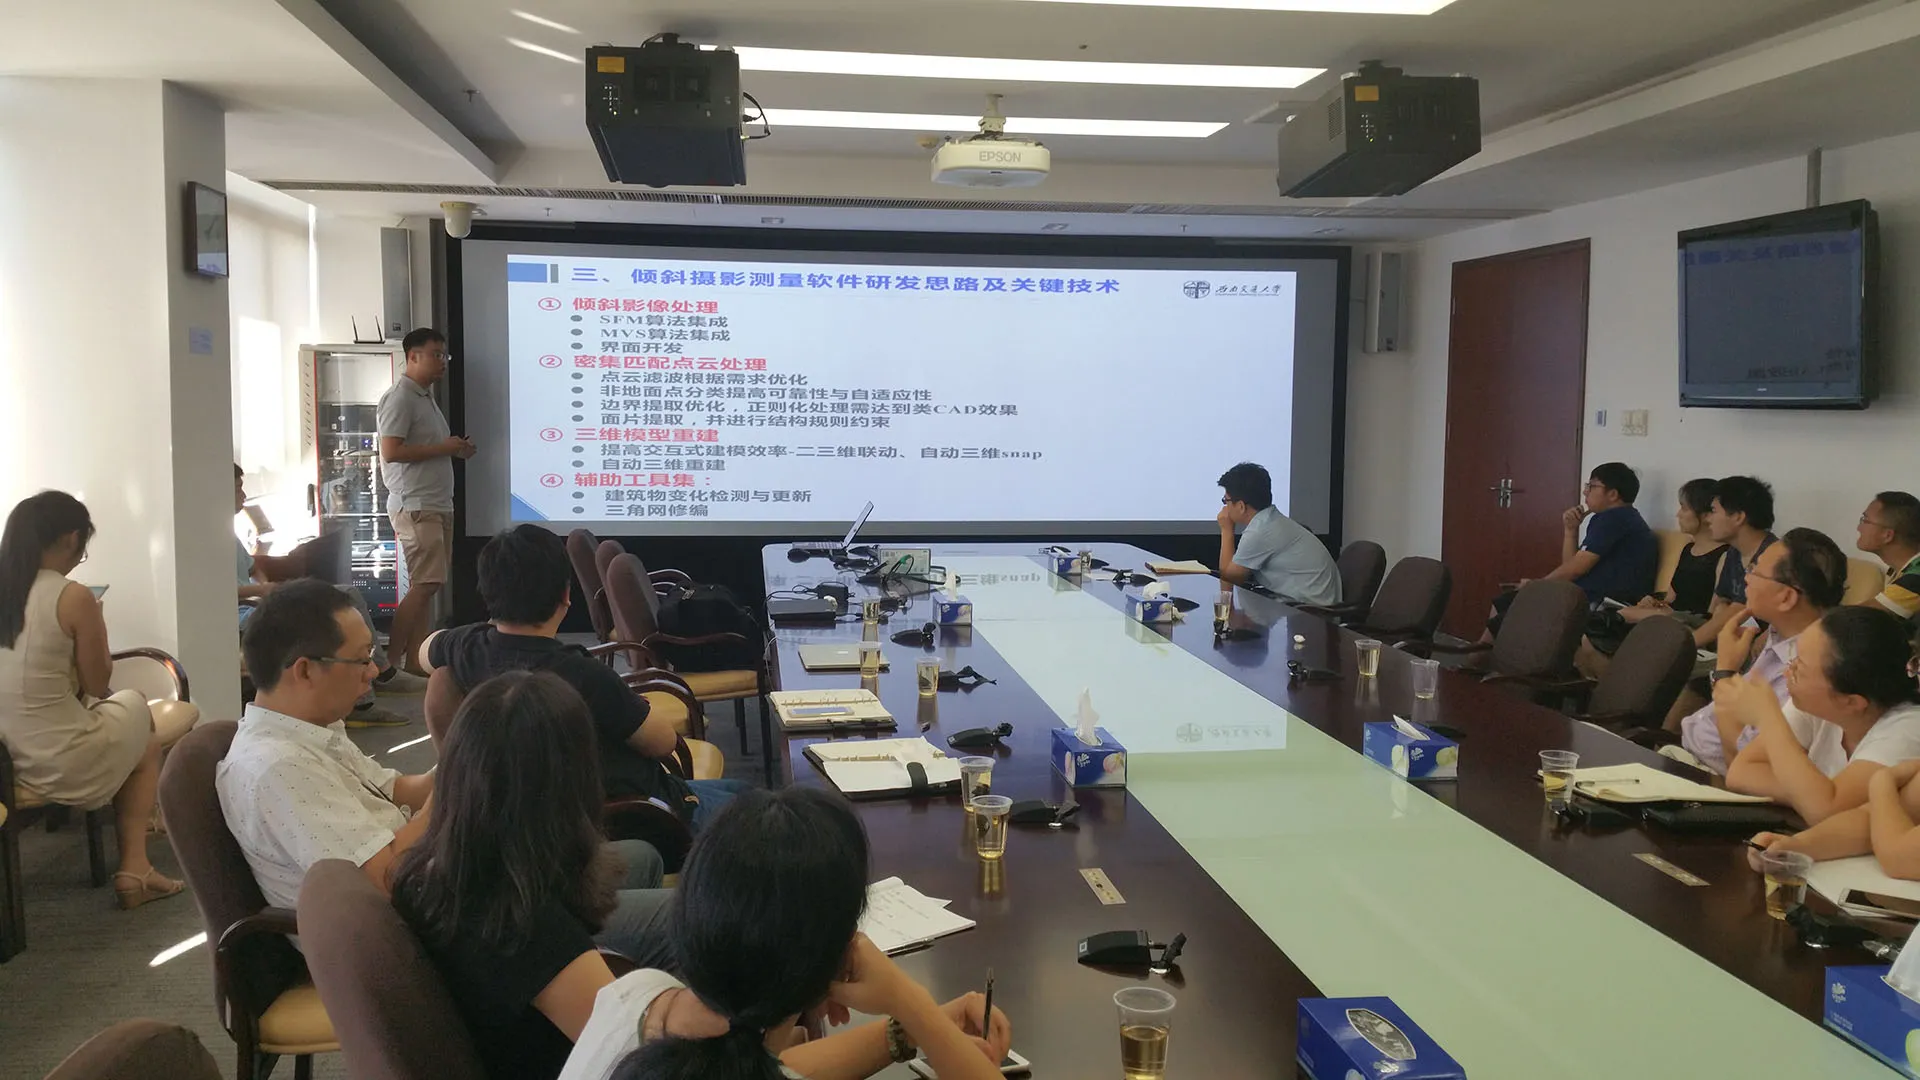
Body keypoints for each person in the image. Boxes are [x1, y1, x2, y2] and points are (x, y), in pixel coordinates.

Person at [561, 787, 1010, 1080]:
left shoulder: (635, 996)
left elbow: (768, 1065)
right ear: (835, 961)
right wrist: (911, 1003)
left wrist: (909, 1028)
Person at [420, 525, 747, 830]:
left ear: (487, 593)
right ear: (565, 596)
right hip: (636, 812)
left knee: (740, 792)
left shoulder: (466, 648)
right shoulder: (586, 675)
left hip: (551, 813)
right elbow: (662, 742)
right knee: (753, 805)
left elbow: (425, 652)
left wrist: (474, 635)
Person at [0, 492, 195, 909]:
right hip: (56, 758)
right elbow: (96, 682)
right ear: (71, 538)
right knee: (136, 708)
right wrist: (95, 624)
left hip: (7, 759)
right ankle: (135, 868)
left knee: (137, 733)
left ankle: (138, 866)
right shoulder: (72, 596)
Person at [217, 580, 437, 910]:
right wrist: (448, 797)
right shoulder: (281, 767)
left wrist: (462, 764)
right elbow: (386, 880)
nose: (373, 671)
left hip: (416, 882)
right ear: (306, 671)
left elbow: (391, 790)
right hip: (392, 926)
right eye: (362, 659)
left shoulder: (308, 728)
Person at [233, 465, 417, 728]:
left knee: (347, 594)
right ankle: (362, 703)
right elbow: (214, 594)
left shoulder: (231, 536)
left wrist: (265, 587)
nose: (243, 494)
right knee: (321, 620)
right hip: (240, 617)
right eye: (237, 488)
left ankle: (382, 672)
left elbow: (254, 568)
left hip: (259, 604)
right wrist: (260, 592)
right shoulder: (201, 542)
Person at [1733, 615, 1920, 870]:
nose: (1787, 672)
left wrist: (1769, 719)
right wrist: (1798, 845)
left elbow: (1826, 811)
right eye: (1793, 660)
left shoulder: (1909, 728)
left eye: (1799, 668)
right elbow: (1741, 771)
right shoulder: (1816, 700)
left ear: (1852, 702)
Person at [1675, 529, 1848, 775]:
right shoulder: (1780, 634)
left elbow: (1744, 767)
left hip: (1714, 781)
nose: (1747, 578)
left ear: (1786, 597)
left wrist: (1725, 673)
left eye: (1755, 572)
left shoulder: (1808, 669)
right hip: (1687, 756)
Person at [377, 327, 474, 682]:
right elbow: (391, 451)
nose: (442, 361)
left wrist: (455, 449)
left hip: (435, 503)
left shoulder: (424, 397)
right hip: (416, 504)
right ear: (412, 356)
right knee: (425, 584)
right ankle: (390, 664)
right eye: (435, 354)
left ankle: (415, 662)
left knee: (428, 585)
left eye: (444, 355)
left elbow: (425, 447)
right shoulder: (400, 398)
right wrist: (443, 448)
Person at [1484, 463, 1657, 639]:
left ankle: (1479, 652)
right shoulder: (1619, 518)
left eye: (1591, 486)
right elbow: (1571, 565)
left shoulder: (1614, 519)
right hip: (1585, 596)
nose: (1585, 492)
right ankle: (1480, 652)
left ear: (1613, 494)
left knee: (1512, 609)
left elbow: (1576, 569)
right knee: (1507, 602)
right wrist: (1571, 530)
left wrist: (1537, 585)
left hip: (1602, 604)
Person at [1214, 462, 1340, 607]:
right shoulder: (1269, 520)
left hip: (1313, 613)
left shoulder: (1260, 530)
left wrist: (1226, 530)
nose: (1225, 507)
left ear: (1241, 506)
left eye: (1226, 501)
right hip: (1306, 604)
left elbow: (1230, 578)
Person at [1620, 478, 1728, 625]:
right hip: (1670, 618)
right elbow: (1670, 598)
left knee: (1623, 616)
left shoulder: (1725, 555)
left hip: (1690, 624)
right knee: (1618, 614)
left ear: (1706, 515)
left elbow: (1712, 615)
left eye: (1684, 508)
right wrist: (1654, 602)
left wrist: (1666, 614)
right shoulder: (1688, 548)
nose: (1678, 514)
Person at [1691, 476, 1779, 649]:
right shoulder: (1734, 551)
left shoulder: (1772, 556)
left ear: (1738, 517)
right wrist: (1721, 609)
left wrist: (1682, 647)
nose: (1708, 519)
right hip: (1732, 639)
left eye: (1714, 511)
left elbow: (1738, 610)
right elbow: (1723, 600)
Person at [1856, 490, 1920, 623]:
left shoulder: (1915, 579)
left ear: (1887, 535)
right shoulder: (1897, 570)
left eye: (1865, 520)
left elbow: (1853, 620)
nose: (1859, 528)